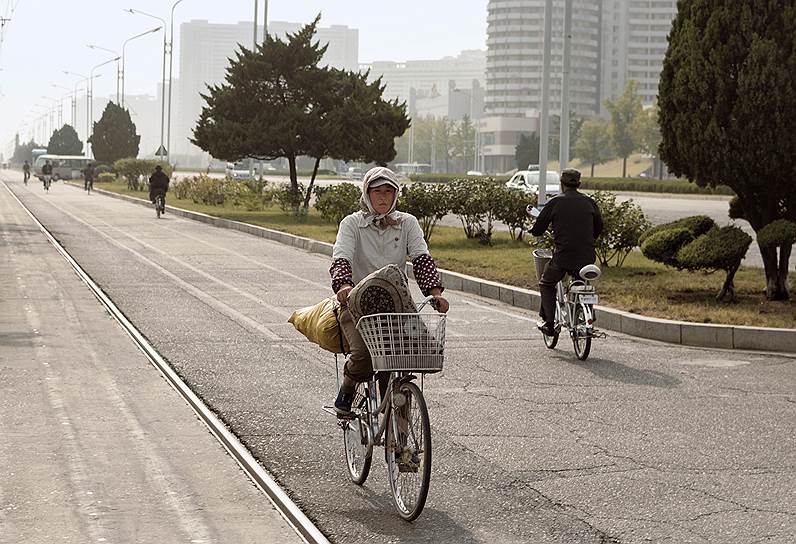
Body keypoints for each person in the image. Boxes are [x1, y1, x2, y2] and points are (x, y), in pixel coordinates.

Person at [330, 166, 449, 417]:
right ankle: (348, 387)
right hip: (356, 304)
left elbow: (422, 259)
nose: (383, 197)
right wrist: (343, 286)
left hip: (396, 305)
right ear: (366, 193)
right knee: (364, 355)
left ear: (396, 194)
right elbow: (341, 257)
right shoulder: (351, 223)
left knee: (411, 355)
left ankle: (401, 441)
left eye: (388, 191)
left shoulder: (407, 223)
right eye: (377, 192)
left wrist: (436, 293)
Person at [530, 168, 603, 336]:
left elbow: (539, 227)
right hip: (587, 256)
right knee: (583, 284)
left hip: (563, 257)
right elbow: (599, 227)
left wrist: (534, 231)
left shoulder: (555, 202)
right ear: (579, 184)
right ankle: (586, 315)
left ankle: (548, 323)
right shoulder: (589, 202)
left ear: (561, 184)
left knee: (547, 283)